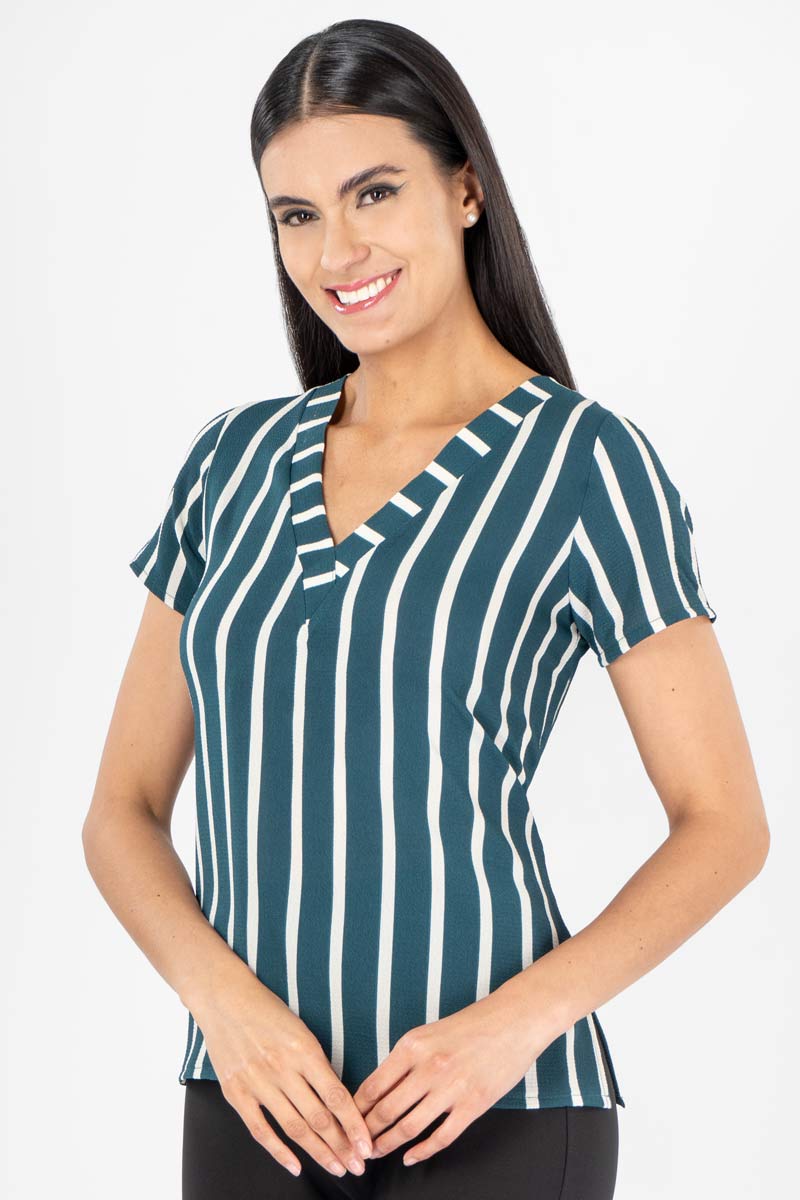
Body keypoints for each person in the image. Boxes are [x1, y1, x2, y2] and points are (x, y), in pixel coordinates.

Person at [83, 18, 770, 1200]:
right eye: (295, 214)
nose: (334, 249)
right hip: (252, 1105)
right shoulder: (228, 464)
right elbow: (122, 809)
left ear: (463, 189)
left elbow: (723, 825)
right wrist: (225, 1008)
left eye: (373, 192)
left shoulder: (582, 465)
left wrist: (511, 1027)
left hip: (497, 1114)